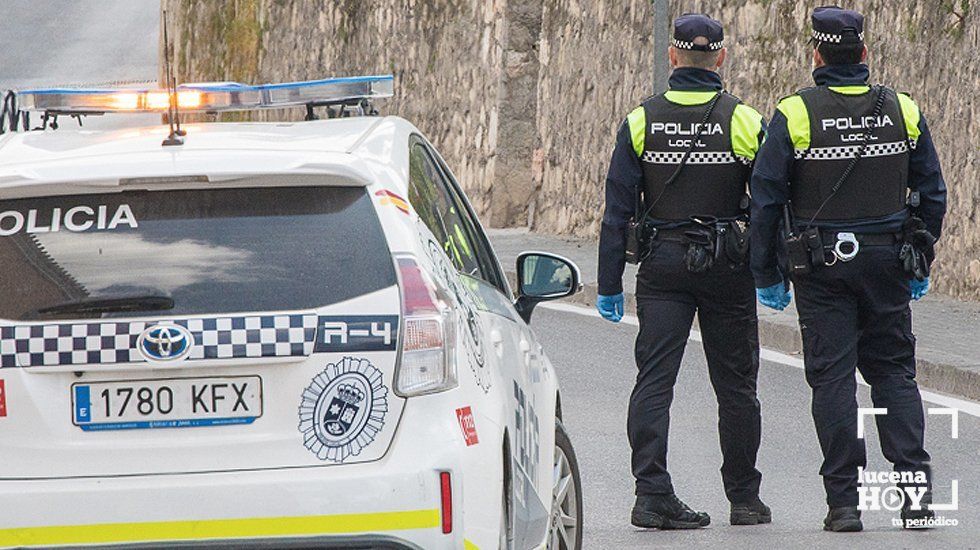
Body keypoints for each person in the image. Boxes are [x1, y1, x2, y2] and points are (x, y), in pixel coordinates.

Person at [750, 5, 947, 532]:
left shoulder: (794, 113)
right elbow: (932, 191)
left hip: (821, 266)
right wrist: (920, 255)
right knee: (893, 374)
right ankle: (916, 498)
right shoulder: (901, 108)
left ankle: (845, 504)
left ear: (816, 54)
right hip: (888, 262)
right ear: (864, 53)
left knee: (833, 380)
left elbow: (766, 200)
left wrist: (765, 273)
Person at [596, 13, 770, 529]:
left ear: (672, 57)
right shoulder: (743, 119)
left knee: (654, 382)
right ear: (720, 58)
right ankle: (744, 498)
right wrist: (771, 272)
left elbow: (617, 212)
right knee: (737, 386)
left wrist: (609, 285)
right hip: (727, 266)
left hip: (663, 267)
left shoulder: (641, 121)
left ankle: (651, 493)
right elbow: (767, 204)